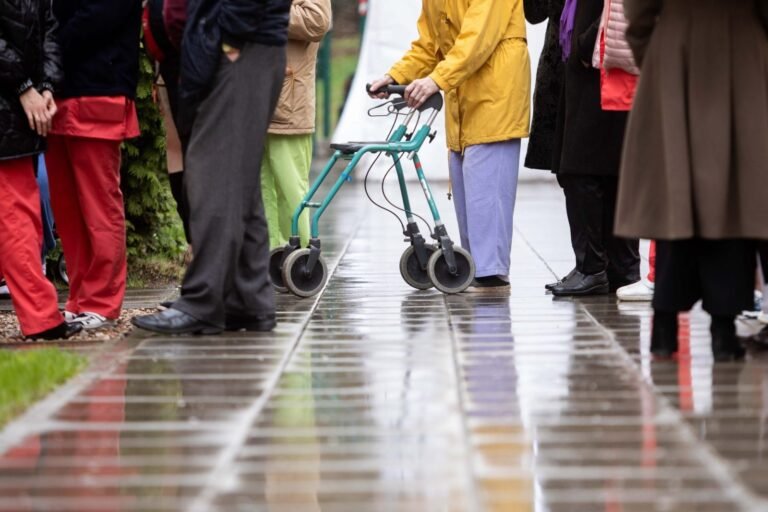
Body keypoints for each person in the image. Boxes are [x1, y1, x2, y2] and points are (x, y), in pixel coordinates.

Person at [616, 0, 768, 360]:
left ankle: (664, 328)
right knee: (733, 201)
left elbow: (637, 12)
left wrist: (656, 57)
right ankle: (722, 330)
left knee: (676, 199)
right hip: (742, 48)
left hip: (674, 48)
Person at [133, 0, 293, 334]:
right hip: (240, 45)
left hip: (241, 47)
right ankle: (248, 300)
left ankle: (202, 301)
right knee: (238, 184)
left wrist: (226, 40)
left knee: (213, 178)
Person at [370, 0, 531, 291]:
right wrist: (395, 76)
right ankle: (478, 272)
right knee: (468, 192)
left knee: (485, 194)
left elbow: (477, 38)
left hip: (495, 94)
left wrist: (436, 80)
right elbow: (428, 45)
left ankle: (488, 275)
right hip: (463, 95)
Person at [46, 0, 142, 330]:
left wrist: (46, 53)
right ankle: (80, 297)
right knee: (68, 207)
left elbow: (98, 18)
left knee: (98, 203)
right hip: (60, 91)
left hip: (98, 86)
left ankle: (101, 301)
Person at [0, 0, 82, 340]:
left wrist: (47, 87)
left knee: (21, 213)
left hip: (21, 109)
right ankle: (41, 319)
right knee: (17, 215)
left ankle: (41, 316)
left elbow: (50, 30)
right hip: (12, 105)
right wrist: (26, 88)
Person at [549, 0, 640, 297]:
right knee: (612, 171)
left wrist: (583, 46)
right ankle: (621, 268)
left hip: (601, 67)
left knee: (580, 171)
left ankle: (593, 268)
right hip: (599, 71)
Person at [261, 0, 332, 250]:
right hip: (250, 97)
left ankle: (302, 261)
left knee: (290, 190)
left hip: (287, 103)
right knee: (259, 192)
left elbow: (317, 21)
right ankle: (266, 261)